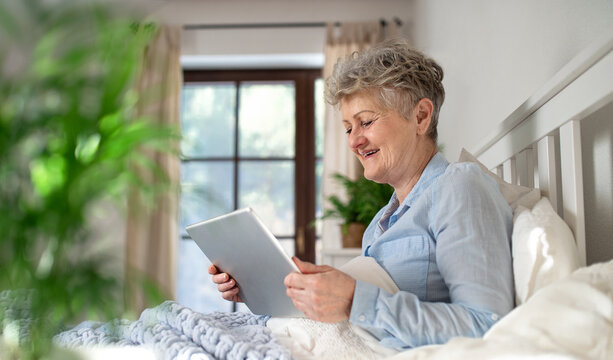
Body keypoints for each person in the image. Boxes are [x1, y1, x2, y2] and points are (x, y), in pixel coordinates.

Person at [209, 38, 513, 350]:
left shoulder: (459, 188)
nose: (354, 141)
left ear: (421, 116)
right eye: (348, 128)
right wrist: (262, 288)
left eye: (365, 122)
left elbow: (485, 324)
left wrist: (355, 299)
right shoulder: (381, 223)